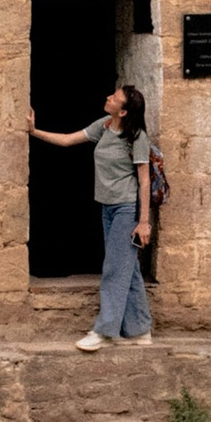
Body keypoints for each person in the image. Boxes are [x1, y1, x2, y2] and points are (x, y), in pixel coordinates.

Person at [30, 79, 155, 348]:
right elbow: (67, 140)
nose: (109, 97)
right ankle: (140, 330)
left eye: (115, 98)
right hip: (107, 208)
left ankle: (105, 332)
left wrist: (143, 222)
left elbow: (144, 180)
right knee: (127, 268)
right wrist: (34, 131)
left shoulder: (136, 138)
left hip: (125, 210)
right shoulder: (104, 126)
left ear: (123, 112)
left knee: (113, 269)